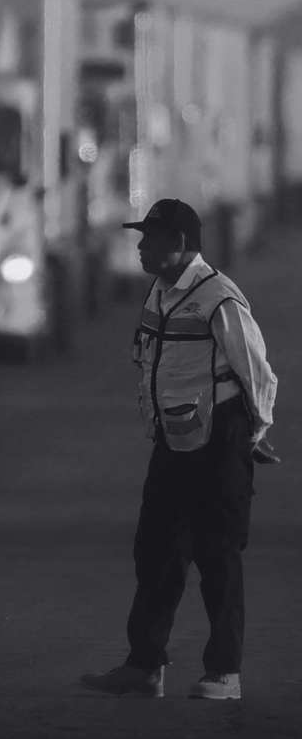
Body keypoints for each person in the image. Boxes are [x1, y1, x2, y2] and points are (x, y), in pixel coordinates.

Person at [82, 198, 277, 701]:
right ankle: (145, 666)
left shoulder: (219, 297)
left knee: (217, 554)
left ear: (181, 244)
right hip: (173, 442)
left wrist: (253, 432)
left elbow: (257, 371)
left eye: (150, 238)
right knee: (156, 552)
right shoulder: (161, 292)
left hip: (219, 442)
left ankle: (224, 674)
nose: (141, 247)